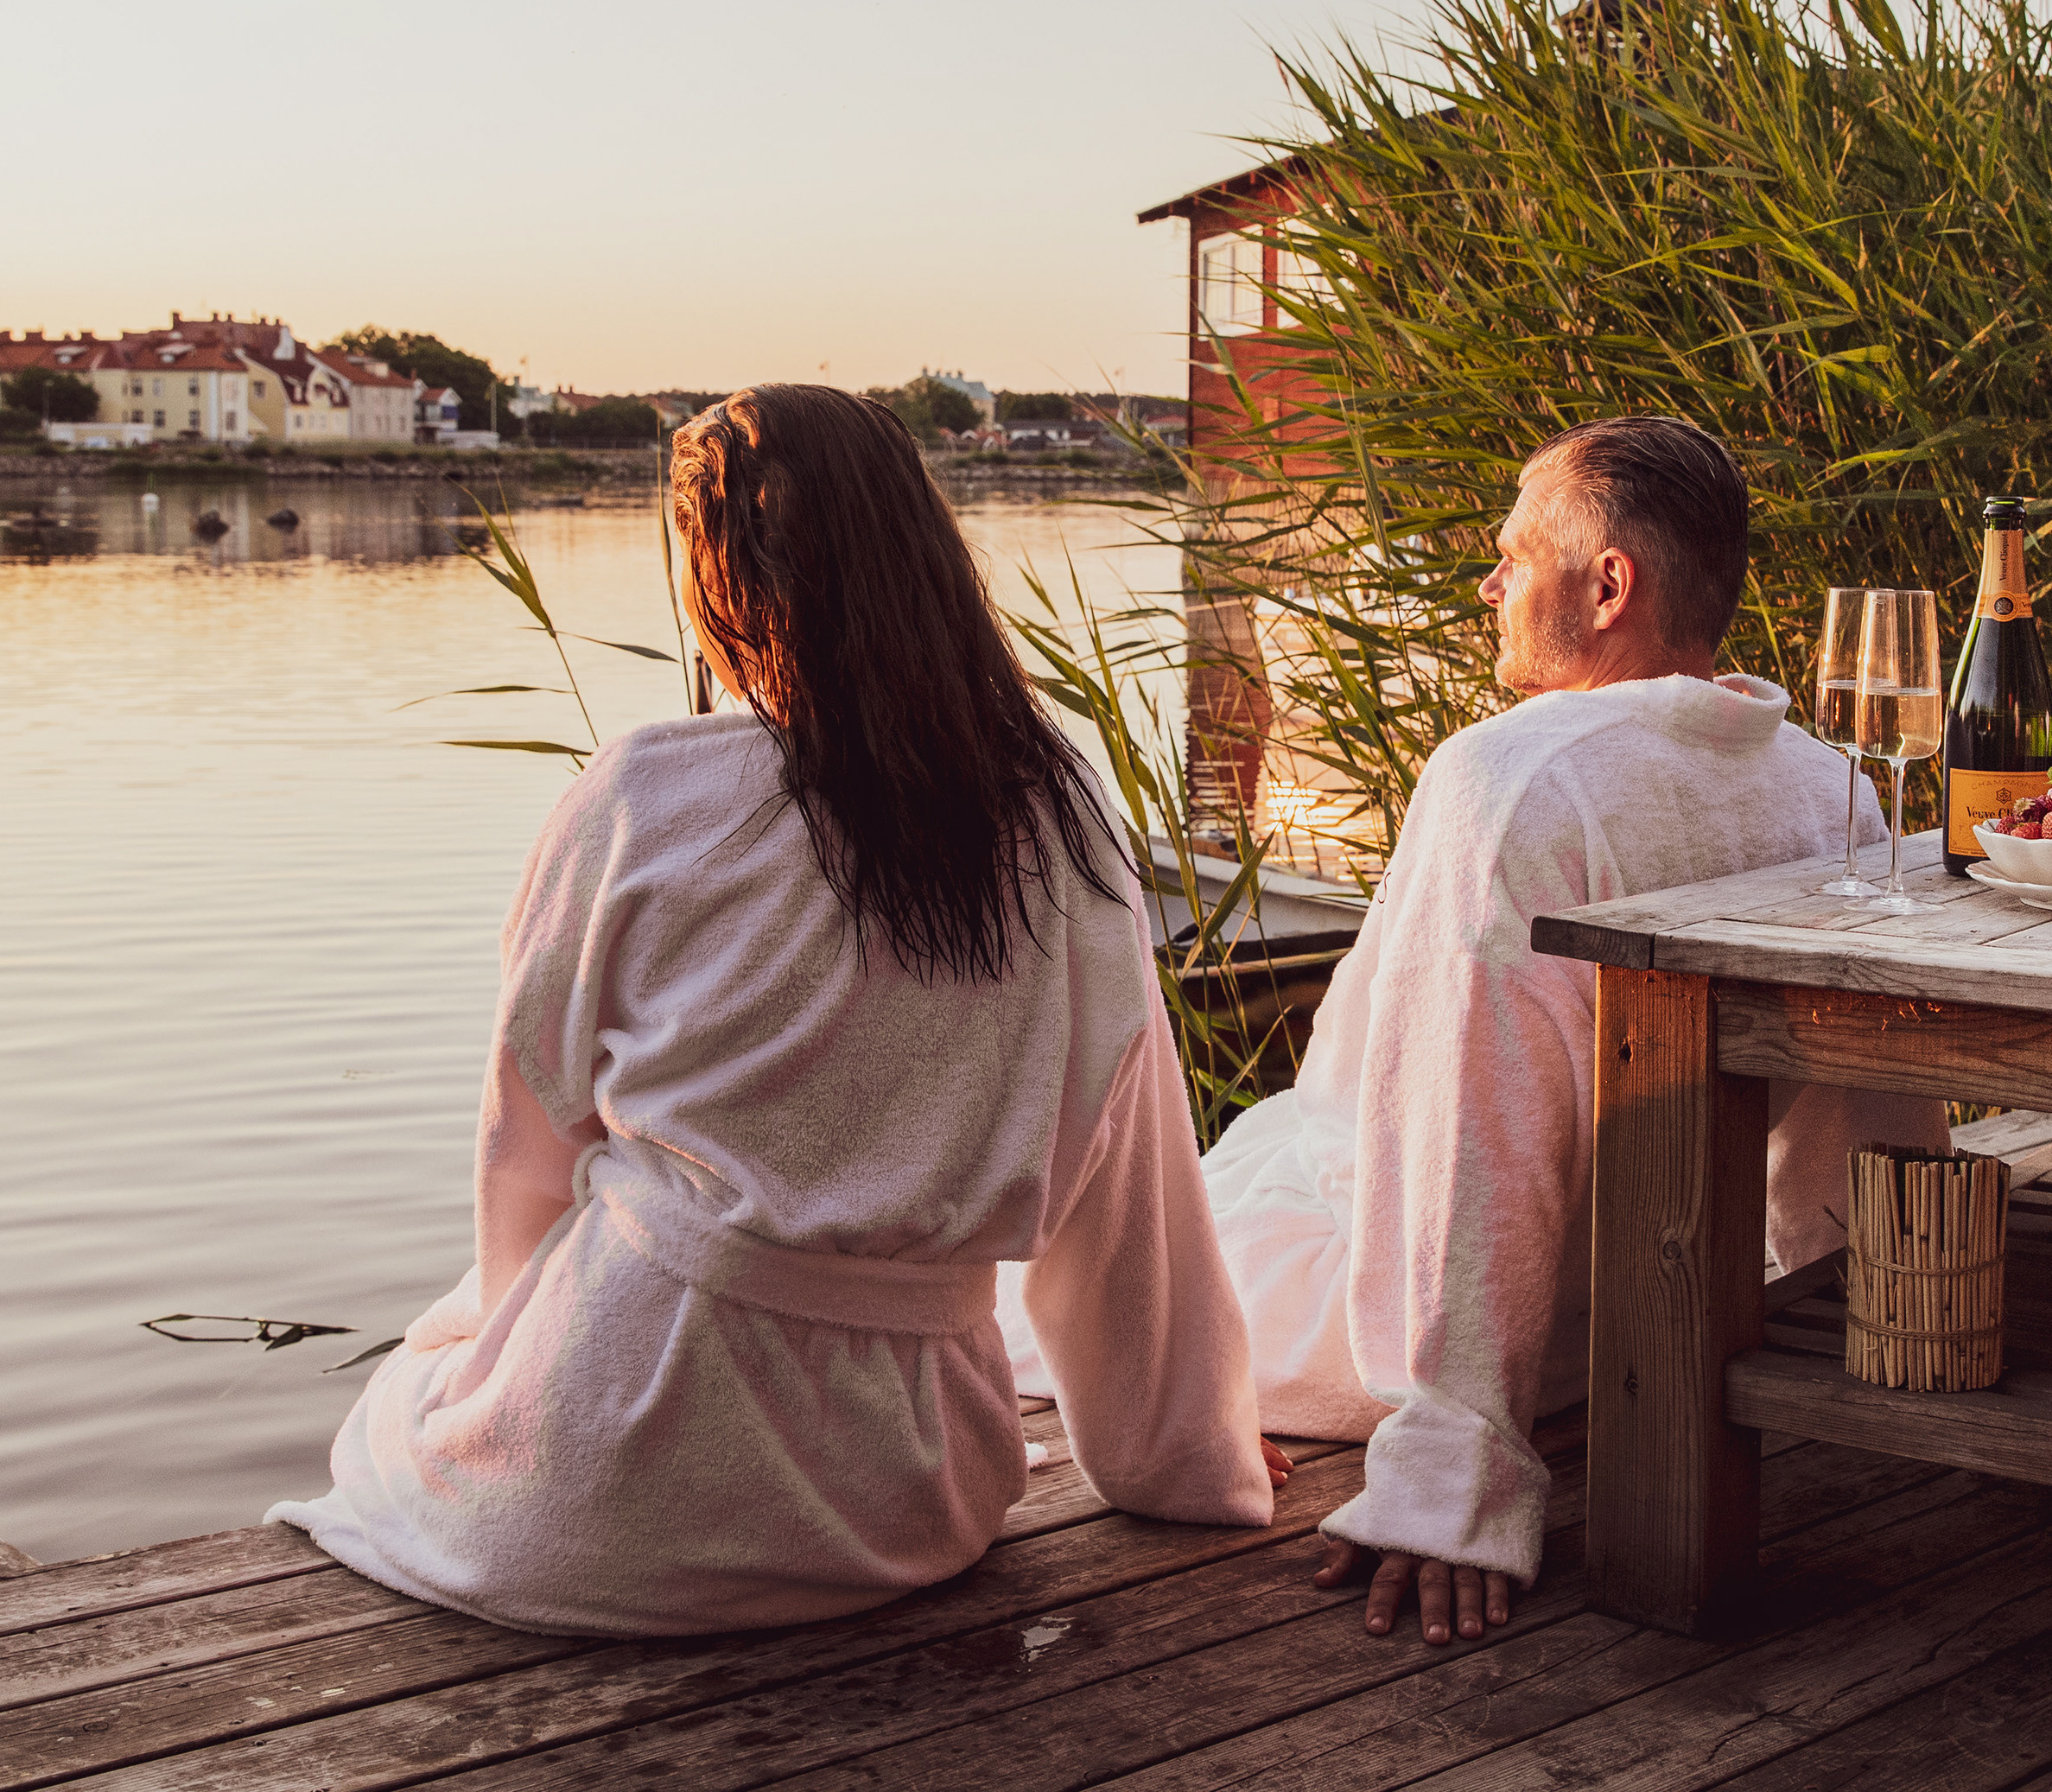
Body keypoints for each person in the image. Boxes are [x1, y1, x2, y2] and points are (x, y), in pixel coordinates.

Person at [272, 384, 1278, 1636]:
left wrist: (496, 1359)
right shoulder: (1059, 804)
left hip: (599, 1476)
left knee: (406, 1394)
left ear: (718, 578)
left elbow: (524, 1159)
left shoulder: (642, 796)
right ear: (923, 556)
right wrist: (1186, 1456)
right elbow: (1127, 1192)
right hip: (908, 1500)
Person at [1000, 413, 1941, 1646]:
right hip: (1676, 1298)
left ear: (1609, 586)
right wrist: (1849, 1299)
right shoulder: (1835, 782)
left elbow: (1463, 1116)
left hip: (1460, 1324)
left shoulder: (1510, 778)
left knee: (1041, 1285)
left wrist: (1454, 1456)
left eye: (1512, 557)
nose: (1489, 586)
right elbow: (1863, 1092)